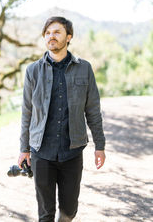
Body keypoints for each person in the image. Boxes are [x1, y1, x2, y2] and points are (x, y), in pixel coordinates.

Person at [18, 16, 106, 222]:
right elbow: (27, 112)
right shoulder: (33, 71)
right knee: (45, 214)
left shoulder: (84, 68)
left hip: (72, 151)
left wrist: (99, 146)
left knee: (68, 211)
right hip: (42, 152)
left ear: (69, 37)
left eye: (57, 32)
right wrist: (24, 149)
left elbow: (93, 110)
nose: (51, 36)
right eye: (48, 33)